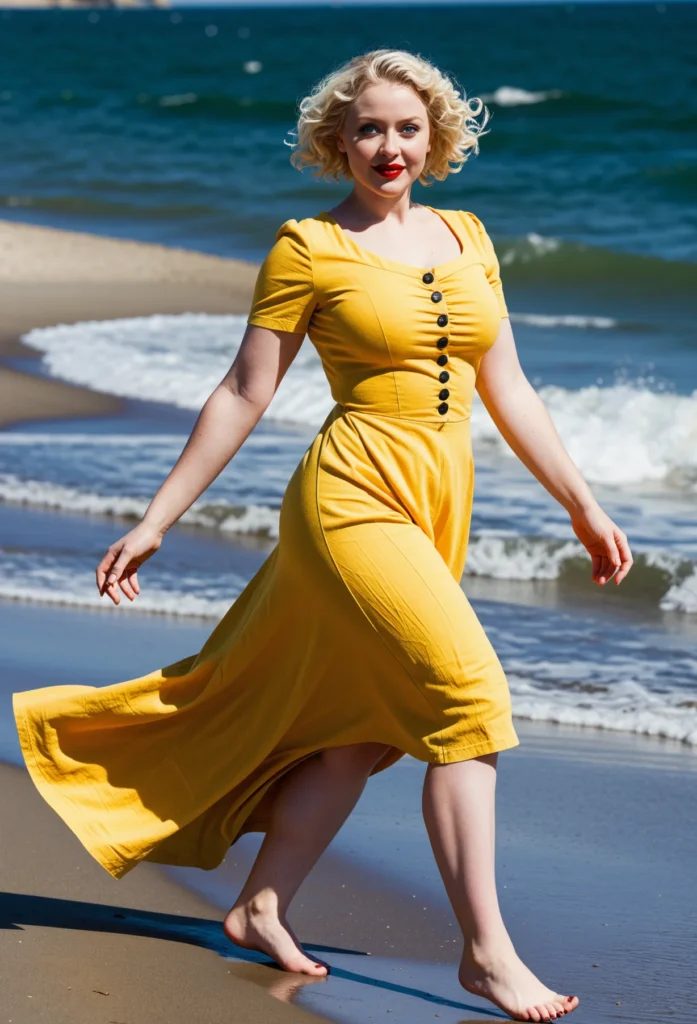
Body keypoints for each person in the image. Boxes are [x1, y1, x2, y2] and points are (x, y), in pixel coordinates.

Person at [12, 49, 633, 1023]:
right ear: (335, 141)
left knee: (360, 730)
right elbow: (244, 390)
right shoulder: (308, 246)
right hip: (350, 502)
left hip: (439, 501)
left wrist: (581, 502)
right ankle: (486, 950)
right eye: (369, 129)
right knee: (468, 700)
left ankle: (262, 905)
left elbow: (506, 385)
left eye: (406, 128)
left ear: (436, 136)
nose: (388, 147)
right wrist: (155, 517)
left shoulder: (467, 235)